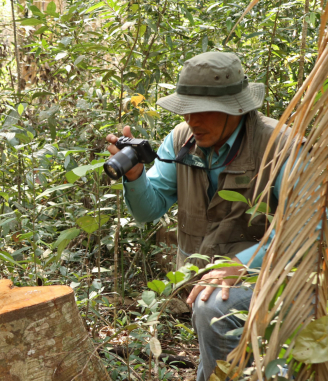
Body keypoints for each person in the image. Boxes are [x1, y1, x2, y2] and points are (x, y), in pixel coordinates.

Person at [105, 52, 292, 381]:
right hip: (203, 281)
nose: (191, 120)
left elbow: (313, 222)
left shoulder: (278, 145)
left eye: (202, 110)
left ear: (235, 107)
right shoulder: (181, 140)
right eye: (186, 108)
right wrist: (135, 177)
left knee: (214, 311)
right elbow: (150, 208)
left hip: (273, 277)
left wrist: (245, 262)